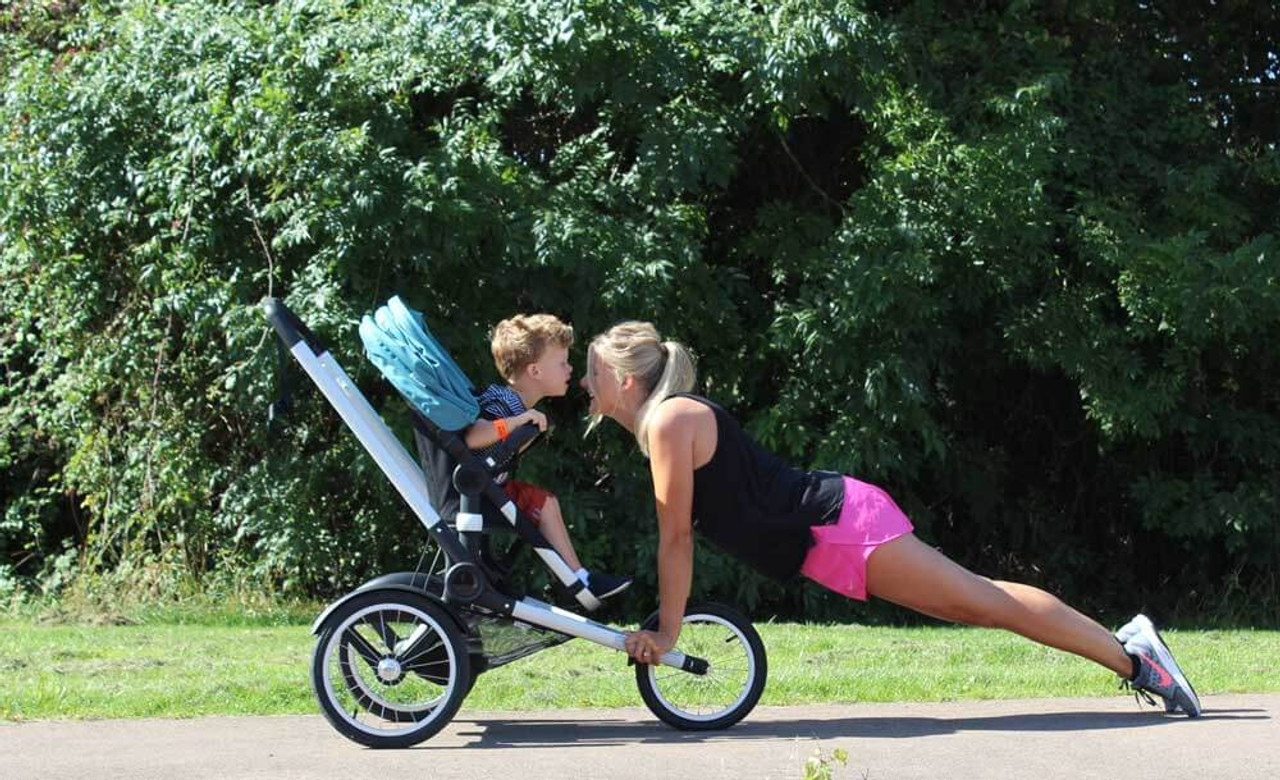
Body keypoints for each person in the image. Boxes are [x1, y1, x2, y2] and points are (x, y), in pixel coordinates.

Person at [584, 321, 1200, 716]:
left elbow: (675, 538)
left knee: (985, 602)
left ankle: (1136, 659)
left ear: (622, 377)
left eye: (591, 373)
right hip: (832, 536)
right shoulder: (666, 424)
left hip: (839, 525)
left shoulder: (669, 421)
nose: (587, 386)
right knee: (976, 605)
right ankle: (1131, 651)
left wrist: (668, 633)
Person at [465, 313, 631, 600]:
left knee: (547, 503)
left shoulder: (517, 404)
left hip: (491, 488)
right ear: (535, 371)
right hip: (478, 492)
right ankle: (579, 581)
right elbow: (473, 436)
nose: (570, 370)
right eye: (562, 363)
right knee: (545, 503)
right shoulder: (504, 403)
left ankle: (579, 579)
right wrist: (515, 423)